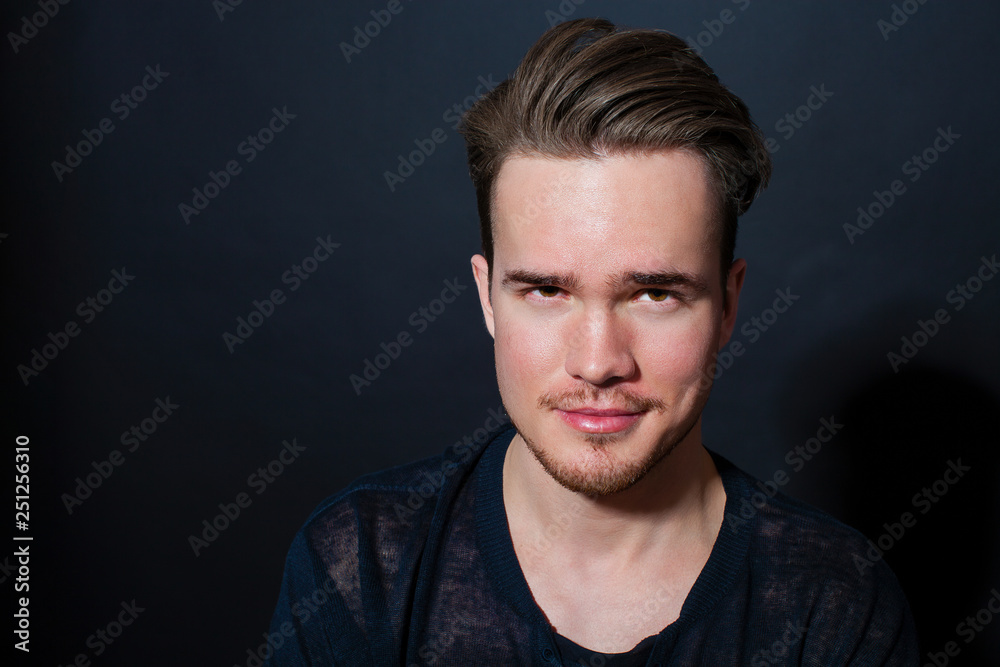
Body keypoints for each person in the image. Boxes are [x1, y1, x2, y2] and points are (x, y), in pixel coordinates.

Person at [265, 18, 918, 666]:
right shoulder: (361, 568)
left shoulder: (833, 600)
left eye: (655, 294)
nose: (599, 362)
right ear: (487, 296)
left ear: (728, 304)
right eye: (547, 291)